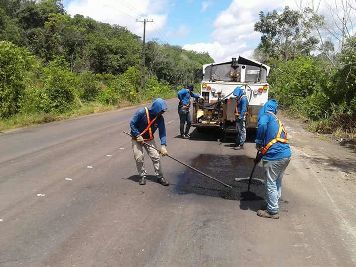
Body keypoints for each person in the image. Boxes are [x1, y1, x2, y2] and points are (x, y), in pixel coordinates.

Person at [255, 99, 291, 219]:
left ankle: (272, 211)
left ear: (265, 107)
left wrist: (259, 141)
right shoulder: (276, 119)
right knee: (277, 180)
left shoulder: (266, 116)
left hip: (275, 156)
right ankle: (273, 203)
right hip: (285, 155)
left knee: (270, 181)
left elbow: (262, 125)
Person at [130, 98, 169, 186]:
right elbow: (132, 123)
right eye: (161, 111)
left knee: (156, 157)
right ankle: (142, 176)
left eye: (163, 111)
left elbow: (162, 132)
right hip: (136, 139)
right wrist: (137, 135)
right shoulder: (141, 112)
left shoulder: (160, 118)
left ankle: (160, 177)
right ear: (156, 108)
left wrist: (163, 145)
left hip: (149, 139)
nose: (162, 113)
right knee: (139, 158)